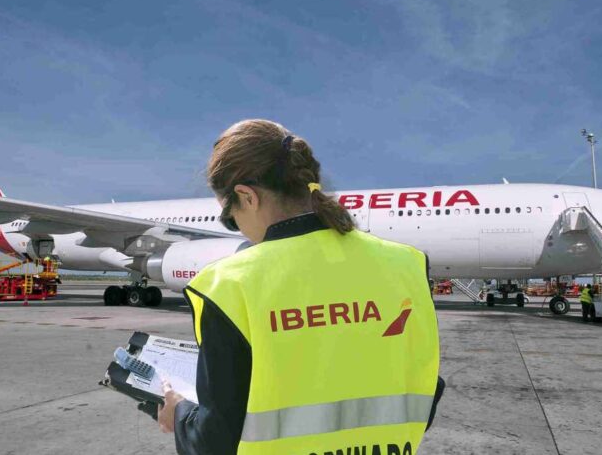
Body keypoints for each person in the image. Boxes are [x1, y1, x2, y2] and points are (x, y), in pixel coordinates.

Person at [157, 120, 444, 455]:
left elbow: (216, 442)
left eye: (230, 217)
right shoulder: (407, 265)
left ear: (246, 196)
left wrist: (178, 413)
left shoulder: (227, 285)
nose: (238, 229)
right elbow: (426, 388)